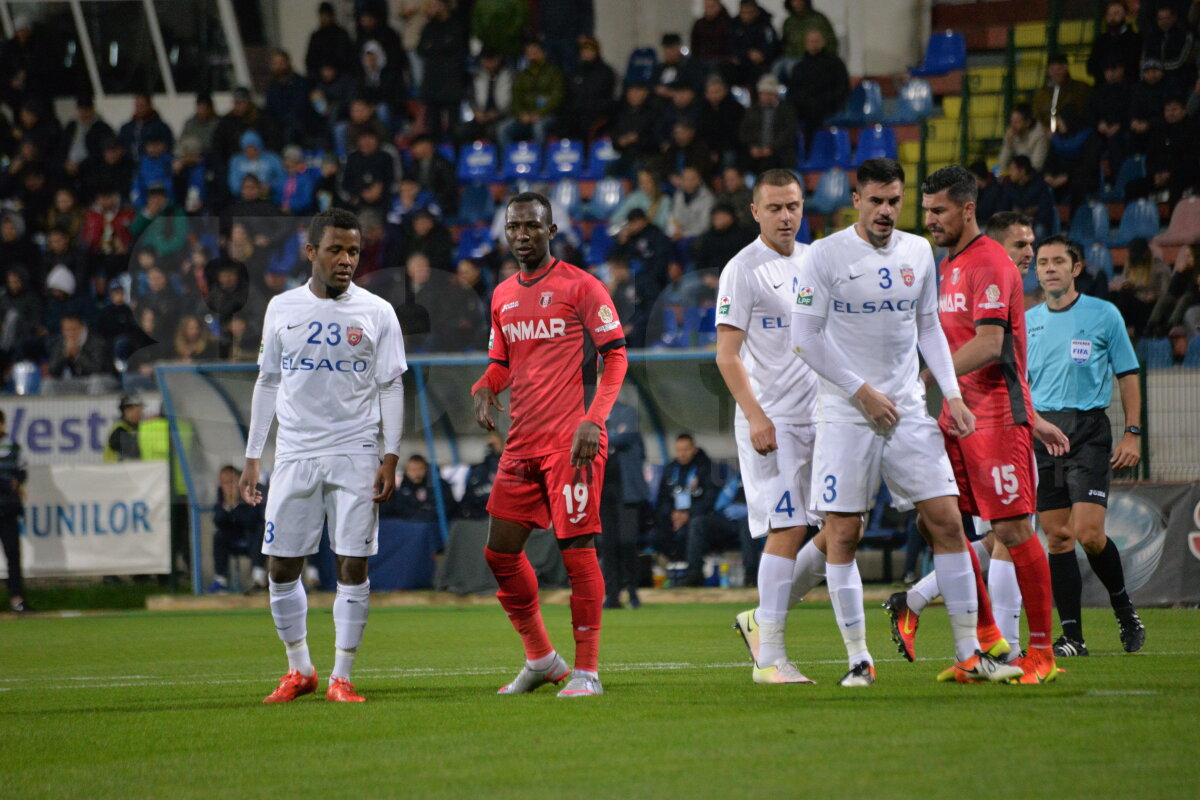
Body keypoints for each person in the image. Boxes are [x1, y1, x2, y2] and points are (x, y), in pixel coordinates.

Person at [790, 158, 1021, 687]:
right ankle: (858, 658)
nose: (887, 211)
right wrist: (861, 391)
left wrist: (952, 393)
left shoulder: (919, 251)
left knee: (946, 521)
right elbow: (805, 337)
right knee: (843, 532)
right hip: (848, 413)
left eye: (894, 200)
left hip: (908, 411)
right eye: (876, 200)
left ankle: (970, 653)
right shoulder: (824, 256)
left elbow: (929, 329)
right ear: (857, 200)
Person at [896, 166, 1062, 684]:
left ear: (968, 209)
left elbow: (992, 345)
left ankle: (1042, 653)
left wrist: (929, 375)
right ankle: (987, 641)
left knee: (1011, 528)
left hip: (994, 413)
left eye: (939, 210)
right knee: (936, 521)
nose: (930, 220)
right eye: (925, 210)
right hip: (955, 414)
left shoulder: (990, 262)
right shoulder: (946, 265)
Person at [239, 208, 407, 704]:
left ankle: (342, 676)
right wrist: (253, 457)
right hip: (293, 453)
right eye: (336, 249)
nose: (347, 260)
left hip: (355, 451)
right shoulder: (281, 308)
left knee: (352, 564)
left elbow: (390, 387)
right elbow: (268, 381)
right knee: (281, 567)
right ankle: (300, 670)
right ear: (311, 252)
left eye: (354, 251)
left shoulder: (377, 311)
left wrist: (390, 455)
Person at [470, 191, 628, 698]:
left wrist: (593, 420)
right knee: (499, 553)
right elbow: (503, 363)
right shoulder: (501, 296)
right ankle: (541, 658)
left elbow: (616, 357)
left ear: (551, 230)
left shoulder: (581, 288)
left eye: (532, 226)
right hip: (522, 444)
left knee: (577, 551)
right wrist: (485, 386)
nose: (522, 234)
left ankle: (587, 672)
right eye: (514, 226)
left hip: (571, 442)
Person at [714, 169, 826, 684]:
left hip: (822, 417)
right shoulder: (742, 269)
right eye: (776, 207)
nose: (786, 216)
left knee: (845, 527)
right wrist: (756, 415)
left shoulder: (815, 260)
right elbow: (727, 356)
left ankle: (763, 616)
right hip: (773, 421)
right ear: (755, 212)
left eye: (794, 206)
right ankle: (770, 657)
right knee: (788, 527)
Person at [1026, 235, 1147, 657]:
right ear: (1036, 270)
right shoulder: (1028, 322)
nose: (1050, 268)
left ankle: (1125, 611)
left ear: (1076, 268)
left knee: (1089, 533)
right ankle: (1072, 637)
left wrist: (1133, 431)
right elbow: (1019, 384)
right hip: (1044, 432)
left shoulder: (1103, 314)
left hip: (1088, 429)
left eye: (1059, 261)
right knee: (1057, 538)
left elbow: (1128, 374)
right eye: (1043, 262)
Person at [599, 397, 647, 609]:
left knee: (627, 542)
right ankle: (613, 594)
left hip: (626, 490)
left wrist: (599, 437)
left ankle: (632, 591)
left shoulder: (627, 410)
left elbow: (625, 436)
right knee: (607, 544)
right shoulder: (588, 413)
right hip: (601, 491)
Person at [211, 465, 266, 593]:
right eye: (224, 483)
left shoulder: (253, 490)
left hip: (252, 536)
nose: (228, 486)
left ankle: (258, 577)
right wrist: (227, 504)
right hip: (234, 535)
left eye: (231, 482)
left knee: (259, 532)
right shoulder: (221, 493)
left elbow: (252, 520)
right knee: (219, 536)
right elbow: (218, 521)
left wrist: (235, 503)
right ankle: (221, 581)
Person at [0, 409, 28, 613]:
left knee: (13, 555)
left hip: (8, 508)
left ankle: (17, 599)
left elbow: (22, 471)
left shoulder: (14, 446)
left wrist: (17, 480)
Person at [997, 103, 1049, 173]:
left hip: (1035, 177)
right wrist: (1009, 145)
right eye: (1012, 121)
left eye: (1017, 122)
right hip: (1016, 175)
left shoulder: (1039, 136)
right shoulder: (1012, 134)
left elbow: (1036, 166)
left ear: (1028, 122)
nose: (1013, 126)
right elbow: (1002, 164)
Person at [103, 395, 143, 462]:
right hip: (114, 470)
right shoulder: (119, 430)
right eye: (137, 411)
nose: (140, 414)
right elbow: (132, 451)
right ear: (126, 411)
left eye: (140, 411)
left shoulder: (135, 427)